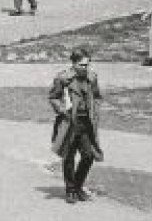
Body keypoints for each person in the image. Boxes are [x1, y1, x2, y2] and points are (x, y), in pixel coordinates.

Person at [48, 49, 102, 203]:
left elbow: (97, 96)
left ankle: (78, 185)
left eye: (87, 64)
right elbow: (53, 97)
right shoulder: (63, 78)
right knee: (69, 156)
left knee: (88, 155)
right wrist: (62, 109)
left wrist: (95, 112)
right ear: (73, 63)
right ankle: (70, 190)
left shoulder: (92, 78)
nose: (85, 68)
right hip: (70, 123)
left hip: (86, 123)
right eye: (82, 65)